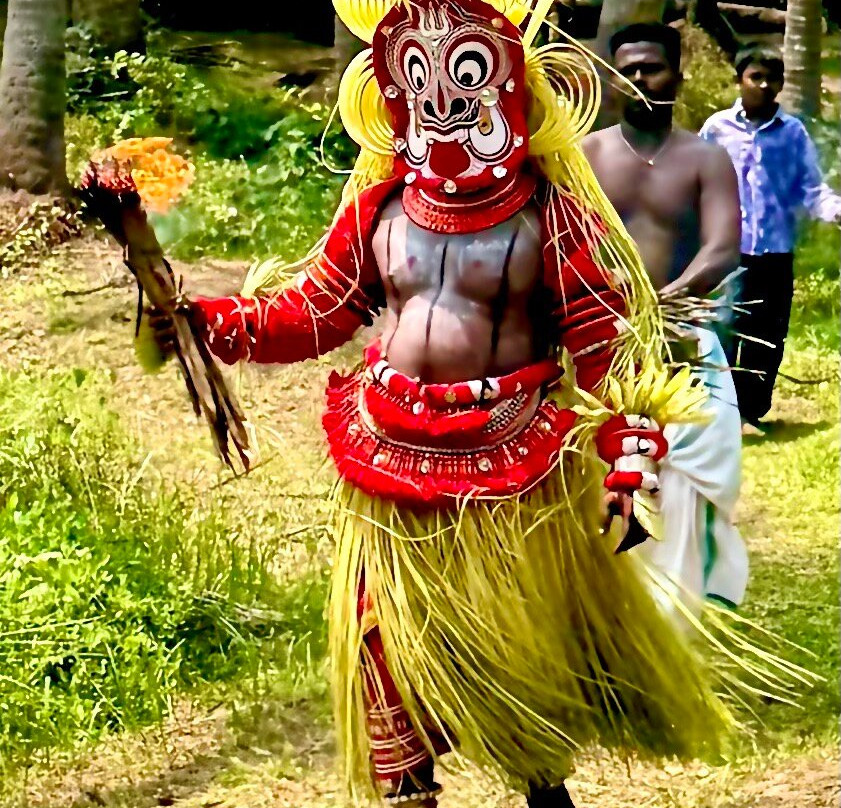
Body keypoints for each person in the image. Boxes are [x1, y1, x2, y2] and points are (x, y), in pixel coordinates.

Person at [86, 4, 804, 806]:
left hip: (512, 470)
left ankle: (541, 783)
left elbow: (609, 352)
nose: (444, 104)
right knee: (382, 645)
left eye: (463, 79)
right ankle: (408, 789)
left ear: (508, 87)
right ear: (392, 92)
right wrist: (201, 319)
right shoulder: (377, 206)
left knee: (515, 657)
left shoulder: (552, 213)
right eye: (418, 82)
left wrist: (626, 460)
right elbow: (314, 312)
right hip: (387, 462)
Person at [583, 22, 748, 609]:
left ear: (676, 74)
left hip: (683, 342)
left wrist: (664, 303)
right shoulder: (586, 156)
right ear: (610, 78)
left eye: (650, 67)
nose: (638, 78)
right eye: (626, 69)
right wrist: (611, 308)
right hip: (600, 344)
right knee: (601, 475)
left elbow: (723, 247)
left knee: (683, 486)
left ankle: (674, 611)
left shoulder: (705, 157)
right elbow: (564, 242)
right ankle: (606, 613)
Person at [700, 43, 841, 428]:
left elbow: (810, 187)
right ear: (739, 80)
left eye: (771, 79)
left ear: (780, 85)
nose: (763, 85)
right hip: (727, 252)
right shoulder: (716, 130)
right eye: (755, 77)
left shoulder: (792, 133)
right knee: (723, 330)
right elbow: (696, 181)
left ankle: (753, 409)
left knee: (768, 333)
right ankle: (721, 416)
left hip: (776, 251)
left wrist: (834, 210)